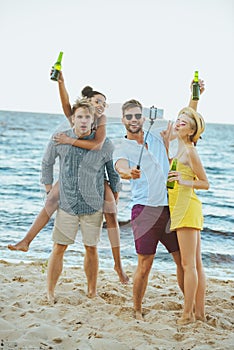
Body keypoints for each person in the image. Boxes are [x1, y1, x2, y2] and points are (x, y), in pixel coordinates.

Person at [8, 72, 129, 284]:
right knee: (51, 200)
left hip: (96, 179)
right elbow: (65, 104)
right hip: (72, 178)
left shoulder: (100, 123)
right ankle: (26, 240)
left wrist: (67, 140)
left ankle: (118, 265)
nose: (101, 105)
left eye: (104, 103)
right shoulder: (79, 117)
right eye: (97, 101)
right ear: (84, 106)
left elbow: (98, 146)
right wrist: (61, 82)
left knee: (111, 212)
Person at [113, 80, 204, 320]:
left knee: (182, 261)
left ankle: (190, 308)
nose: (133, 119)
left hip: (170, 209)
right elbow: (120, 166)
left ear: (143, 118)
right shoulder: (121, 146)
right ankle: (137, 309)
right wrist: (127, 173)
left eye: (137, 116)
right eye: (129, 116)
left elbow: (186, 123)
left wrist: (194, 96)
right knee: (145, 264)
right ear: (123, 120)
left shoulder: (157, 135)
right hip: (144, 211)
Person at [41, 99, 121, 303]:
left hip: (93, 206)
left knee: (91, 248)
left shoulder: (105, 144)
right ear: (73, 119)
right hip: (66, 204)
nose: (83, 120)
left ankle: (92, 291)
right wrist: (49, 188)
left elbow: (113, 174)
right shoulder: (60, 138)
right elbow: (47, 163)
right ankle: (50, 291)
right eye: (79, 116)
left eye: (87, 117)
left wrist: (114, 199)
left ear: (93, 120)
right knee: (59, 247)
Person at [167, 107, 209, 325]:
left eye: (183, 123)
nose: (178, 124)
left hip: (187, 209)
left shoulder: (190, 151)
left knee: (188, 265)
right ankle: (199, 313)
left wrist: (184, 182)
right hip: (180, 209)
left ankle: (187, 314)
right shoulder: (180, 150)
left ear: (192, 130)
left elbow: (205, 183)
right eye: (178, 120)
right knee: (196, 265)